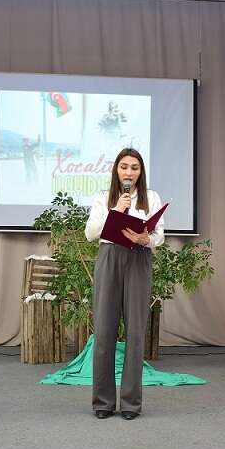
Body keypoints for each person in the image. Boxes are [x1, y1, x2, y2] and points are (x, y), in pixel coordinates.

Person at [84, 148, 165, 420]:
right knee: (104, 331)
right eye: (124, 167)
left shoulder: (151, 197)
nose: (129, 172)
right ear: (116, 170)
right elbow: (90, 233)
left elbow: (160, 235)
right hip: (110, 257)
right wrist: (116, 210)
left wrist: (147, 239)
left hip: (138, 258)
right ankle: (103, 402)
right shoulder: (103, 198)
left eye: (134, 168)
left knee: (135, 333)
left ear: (141, 172)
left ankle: (130, 403)